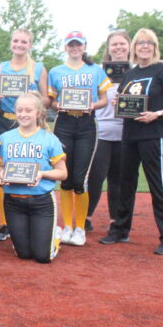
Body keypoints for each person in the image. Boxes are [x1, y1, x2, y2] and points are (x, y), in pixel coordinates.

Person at [100, 28, 163, 255]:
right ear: (134, 48)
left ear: (155, 47)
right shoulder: (130, 74)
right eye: (140, 43)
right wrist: (118, 103)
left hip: (153, 136)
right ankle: (121, 229)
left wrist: (157, 114)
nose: (145, 46)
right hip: (129, 135)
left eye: (149, 43)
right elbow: (124, 103)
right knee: (125, 184)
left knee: (158, 185)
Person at [48, 31, 111, 246]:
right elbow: (51, 101)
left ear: (84, 47)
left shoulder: (95, 70)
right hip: (64, 124)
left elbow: (104, 99)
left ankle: (81, 228)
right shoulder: (56, 71)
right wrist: (59, 105)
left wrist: (91, 105)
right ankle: (67, 226)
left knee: (80, 179)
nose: (74, 48)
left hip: (86, 124)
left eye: (78, 44)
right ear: (65, 47)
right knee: (65, 177)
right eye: (71, 45)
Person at [0, 92, 67, 263]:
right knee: (24, 254)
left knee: (43, 256)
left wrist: (42, 174)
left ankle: (55, 235)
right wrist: (1, 173)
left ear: (39, 113)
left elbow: (62, 173)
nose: (23, 114)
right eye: (19, 110)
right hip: (14, 202)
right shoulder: (4, 138)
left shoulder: (49, 139)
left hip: (42, 202)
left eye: (28, 110)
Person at [0, 29, 49, 242]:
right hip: (5, 122)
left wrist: (35, 97)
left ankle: (32, 216)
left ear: (30, 45)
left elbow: (47, 100)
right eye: (16, 40)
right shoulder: (0, 69)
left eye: (24, 41)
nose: (19, 44)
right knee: (4, 170)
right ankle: (5, 223)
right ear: (11, 43)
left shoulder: (38, 68)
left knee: (30, 167)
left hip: (29, 124)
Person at [86, 30, 130, 232]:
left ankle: (116, 221)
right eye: (114, 44)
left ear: (129, 46)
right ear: (108, 48)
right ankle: (86, 217)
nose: (118, 48)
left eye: (122, 44)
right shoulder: (98, 71)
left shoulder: (136, 71)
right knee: (95, 177)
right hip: (101, 131)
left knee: (118, 179)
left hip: (127, 133)